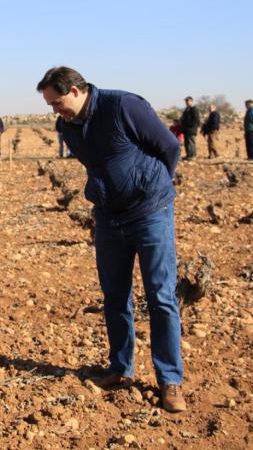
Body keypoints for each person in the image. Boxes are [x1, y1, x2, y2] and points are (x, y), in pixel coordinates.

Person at [37, 66, 185, 413]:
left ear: (75, 90)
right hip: (108, 218)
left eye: (56, 102)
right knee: (115, 297)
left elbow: (167, 147)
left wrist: (151, 187)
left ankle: (170, 380)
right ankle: (121, 368)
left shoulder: (123, 106)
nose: (54, 111)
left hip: (149, 212)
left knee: (161, 297)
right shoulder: (67, 126)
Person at [180, 96, 200, 160]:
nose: (186, 102)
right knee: (186, 143)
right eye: (186, 101)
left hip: (191, 129)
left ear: (191, 101)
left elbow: (196, 120)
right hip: (186, 130)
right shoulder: (186, 110)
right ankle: (188, 155)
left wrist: (189, 125)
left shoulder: (194, 109)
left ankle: (193, 156)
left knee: (191, 143)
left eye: (188, 101)